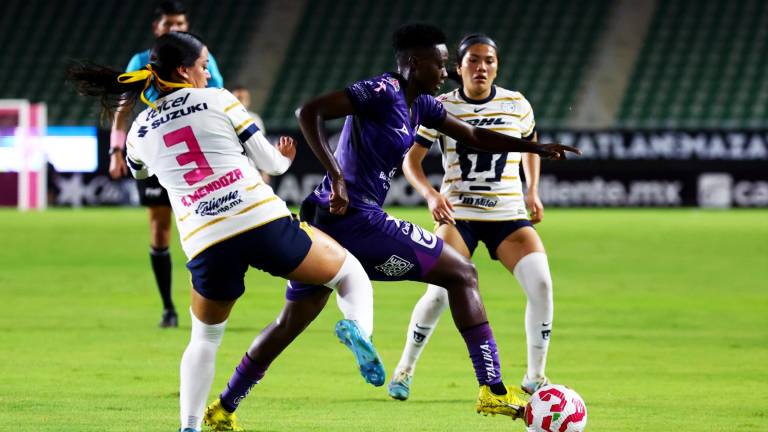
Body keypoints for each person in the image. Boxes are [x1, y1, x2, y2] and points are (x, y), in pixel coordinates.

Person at [204, 22, 579, 427]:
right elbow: (308, 111)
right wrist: (335, 175)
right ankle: (492, 389)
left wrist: (531, 146)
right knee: (462, 273)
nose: (446, 71)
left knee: (290, 322)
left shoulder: (425, 106)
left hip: (332, 222)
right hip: (353, 216)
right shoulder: (382, 91)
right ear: (414, 64)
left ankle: (223, 408)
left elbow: (473, 134)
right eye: (439, 64)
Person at [67, 31, 382, 432]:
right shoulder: (218, 98)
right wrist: (285, 158)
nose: (206, 72)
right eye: (202, 66)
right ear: (184, 70)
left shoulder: (140, 129)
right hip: (259, 219)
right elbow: (271, 161)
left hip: (205, 239)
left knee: (204, 338)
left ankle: (190, 425)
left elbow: (139, 171)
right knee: (348, 272)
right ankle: (359, 330)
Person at [387, 33, 555, 401]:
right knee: (439, 292)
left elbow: (530, 143)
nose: (482, 67)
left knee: (541, 285)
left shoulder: (517, 104)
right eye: (474, 60)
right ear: (457, 67)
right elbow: (410, 160)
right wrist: (431, 194)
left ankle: (535, 378)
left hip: (509, 215)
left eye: (489, 61)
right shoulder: (440, 105)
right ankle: (405, 368)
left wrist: (532, 189)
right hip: (459, 214)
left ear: (497, 66)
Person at [108, 0, 225, 328]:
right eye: (170, 24)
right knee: (160, 230)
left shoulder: (203, 57)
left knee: (206, 228)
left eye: (181, 24)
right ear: (157, 28)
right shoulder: (141, 62)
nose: (176, 30)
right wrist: (115, 152)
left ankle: (207, 305)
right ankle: (168, 308)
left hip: (194, 155)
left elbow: (219, 98)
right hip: (157, 153)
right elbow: (120, 112)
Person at [230, 85, 272, 184]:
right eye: (238, 98)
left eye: (244, 98)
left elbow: (262, 147)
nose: (242, 101)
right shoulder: (224, 119)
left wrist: (265, 171)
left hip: (251, 171)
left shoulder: (254, 119)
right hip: (230, 172)